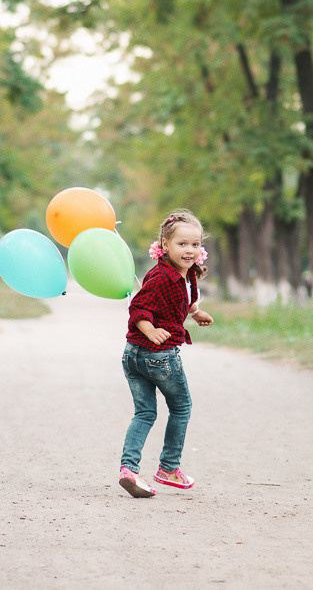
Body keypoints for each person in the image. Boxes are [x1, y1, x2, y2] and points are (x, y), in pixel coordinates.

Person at [118, 209, 214, 498]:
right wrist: (151, 330)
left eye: (195, 244)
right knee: (181, 407)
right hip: (157, 355)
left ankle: (129, 470)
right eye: (182, 244)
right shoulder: (163, 276)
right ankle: (168, 468)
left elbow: (180, 300)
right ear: (165, 244)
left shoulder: (184, 273)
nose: (189, 250)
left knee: (145, 412)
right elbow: (138, 308)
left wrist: (195, 312)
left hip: (132, 355)